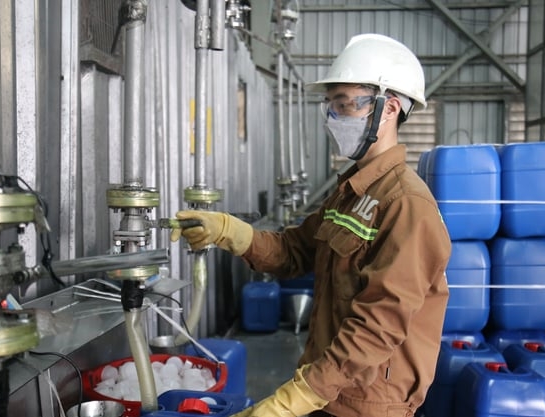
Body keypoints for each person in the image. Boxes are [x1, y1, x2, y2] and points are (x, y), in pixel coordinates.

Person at [171, 33, 452, 417]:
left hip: (368, 404)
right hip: (329, 390)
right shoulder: (350, 192)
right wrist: (228, 231)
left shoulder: (406, 205)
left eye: (344, 104)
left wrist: (296, 400)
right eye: (330, 105)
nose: (334, 118)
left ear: (388, 109)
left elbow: (378, 326)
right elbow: (294, 251)